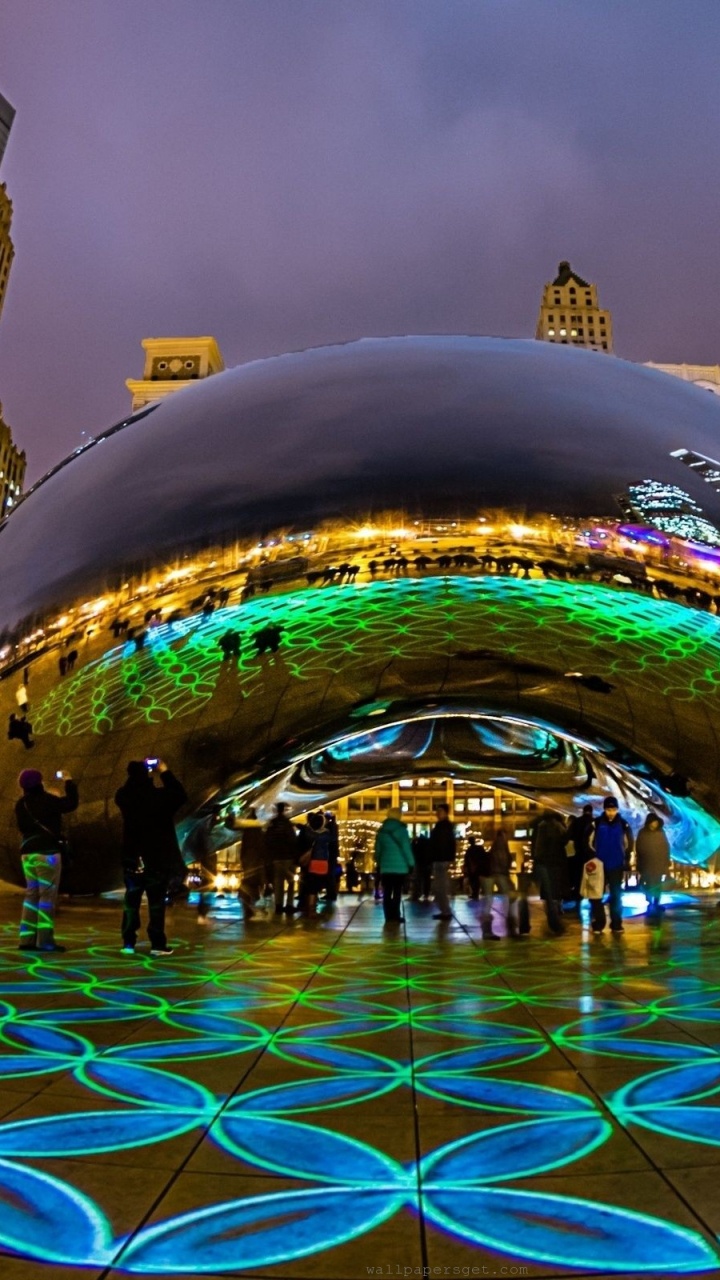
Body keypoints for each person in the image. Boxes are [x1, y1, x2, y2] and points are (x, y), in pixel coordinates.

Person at [115, 759, 187, 955]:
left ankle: (128, 942)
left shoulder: (123, 796)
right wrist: (164, 771)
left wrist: (137, 775)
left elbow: (126, 791)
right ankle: (157, 944)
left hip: (132, 858)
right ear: (147, 774)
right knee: (156, 903)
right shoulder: (159, 797)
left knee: (131, 901)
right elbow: (180, 795)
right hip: (156, 859)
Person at [15, 768, 78, 952]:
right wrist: (68, 781)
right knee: (47, 897)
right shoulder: (49, 801)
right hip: (47, 854)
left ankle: (26, 940)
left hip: (27, 854)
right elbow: (71, 803)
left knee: (31, 895)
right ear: (40, 783)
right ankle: (45, 941)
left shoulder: (21, 804)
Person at [588, 796, 633, 934]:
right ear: (604, 809)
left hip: (616, 864)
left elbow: (629, 844)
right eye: (608, 809)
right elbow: (587, 842)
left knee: (616, 895)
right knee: (596, 896)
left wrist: (625, 860)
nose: (611, 812)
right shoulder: (596, 824)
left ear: (617, 809)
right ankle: (599, 923)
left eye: (613, 809)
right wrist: (593, 857)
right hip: (599, 865)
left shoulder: (623, 824)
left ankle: (616, 924)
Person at [530, 809, 568, 935]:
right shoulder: (559, 826)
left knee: (548, 895)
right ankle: (556, 924)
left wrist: (537, 861)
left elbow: (536, 848)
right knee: (554, 894)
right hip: (556, 864)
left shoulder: (540, 826)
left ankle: (554, 924)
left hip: (544, 864)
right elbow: (566, 844)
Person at [374, 808, 414, 923]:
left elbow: (378, 851)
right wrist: (411, 863)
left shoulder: (381, 831)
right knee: (397, 892)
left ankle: (388, 916)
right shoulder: (402, 830)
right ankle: (396, 915)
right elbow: (406, 848)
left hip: (386, 867)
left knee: (387, 891)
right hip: (400, 867)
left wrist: (379, 862)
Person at [636, 811, 670, 919]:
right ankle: (650, 900)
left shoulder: (660, 833)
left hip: (658, 863)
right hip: (647, 864)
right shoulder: (643, 833)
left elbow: (665, 847)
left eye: (656, 822)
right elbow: (639, 848)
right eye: (653, 822)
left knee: (657, 885)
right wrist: (640, 863)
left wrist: (666, 861)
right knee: (648, 884)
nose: (654, 824)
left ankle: (655, 902)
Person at [265, 802, 298, 915]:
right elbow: (293, 840)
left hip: (276, 857)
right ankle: (289, 904)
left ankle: (278, 904)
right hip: (288, 856)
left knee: (278, 882)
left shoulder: (272, 824)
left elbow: (267, 840)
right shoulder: (287, 823)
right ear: (284, 810)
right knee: (291, 881)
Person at [480, 829, 514, 940]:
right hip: (498, 873)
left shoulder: (495, 845)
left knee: (489, 900)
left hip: (489, 874)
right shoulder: (502, 845)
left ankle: (486, 929)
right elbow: (503, 860)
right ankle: (510, 923)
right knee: (506, 896)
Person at [236, 808, 266, 918]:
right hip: (256, 860)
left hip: (248, 859)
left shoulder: (247, 832)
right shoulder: (259, 831)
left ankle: (246, 901)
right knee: (254, 883)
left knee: (248, 881)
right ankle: (250, 902)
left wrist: (242, 859)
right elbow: (262, 846)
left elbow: (244, 846)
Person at [566, 804, 595, 911]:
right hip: (591, 856)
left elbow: (569, 837)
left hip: (578, 855)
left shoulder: (576, 822)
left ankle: (578, 900)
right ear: (591, 811)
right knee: (592, 878)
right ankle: (593, 901)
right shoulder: (594, 822)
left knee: (578, 878)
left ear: (583, 811)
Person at [430, 803, 455, 920]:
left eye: (440, 811)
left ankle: (445, 911)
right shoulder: (444, 826)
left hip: (441, 859)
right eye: (437, 811)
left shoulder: (443, 826)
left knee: (440, 886)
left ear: (445, 812)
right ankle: (444, 910)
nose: (437, 813)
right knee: (439, 886)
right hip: (440, 858)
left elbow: (444, 843)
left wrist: (447, 858)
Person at [303, 811, 331, 916]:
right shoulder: (326, 834)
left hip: (311, 861)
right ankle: (312, 908)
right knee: (316, 887)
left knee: (311, 887)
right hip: (322, 862)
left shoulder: (308, 833)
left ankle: (310, 908)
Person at [463, 833, 485, 900]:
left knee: (473, 881)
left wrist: (467, 867)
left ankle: (474, 894)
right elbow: (483, 857)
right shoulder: (479, 848)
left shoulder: (469, 850)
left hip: (472, 868)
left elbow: (466, 860)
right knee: (477, 881)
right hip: (478, 868)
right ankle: (476, 893)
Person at [411, 832, 432, 901]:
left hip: (419, 863)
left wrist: (413, 842)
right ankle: (426, 894)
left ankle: (417, 894)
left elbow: (413, 850)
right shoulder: (429, 844)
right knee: (427, 880)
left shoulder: (417, 844)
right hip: (427, 864)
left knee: (418, 879)